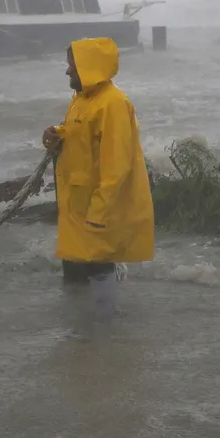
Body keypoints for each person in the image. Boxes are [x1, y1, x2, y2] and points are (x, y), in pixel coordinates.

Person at [42, 37, 154, 318]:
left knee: (99, 263)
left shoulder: (113, 104)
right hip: (79, 203)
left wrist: (100, 210)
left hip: (96, 204)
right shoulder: (81, 100)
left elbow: (117, 164)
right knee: (84, 263)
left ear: (88, 67)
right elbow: (79, 136)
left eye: (73, 66)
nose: (68, 72)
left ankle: (106, 327)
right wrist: (55, 136)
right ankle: (90, 327)